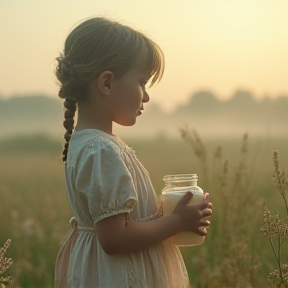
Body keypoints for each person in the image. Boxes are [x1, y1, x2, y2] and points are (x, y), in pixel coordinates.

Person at [54, 17, 213, 288]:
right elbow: (115, 239)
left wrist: (164, 215)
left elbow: (118, 221)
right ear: (106, 83)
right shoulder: (101, 150)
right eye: (142, 82)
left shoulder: (89, 144)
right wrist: (176, 221)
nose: (146, 96)